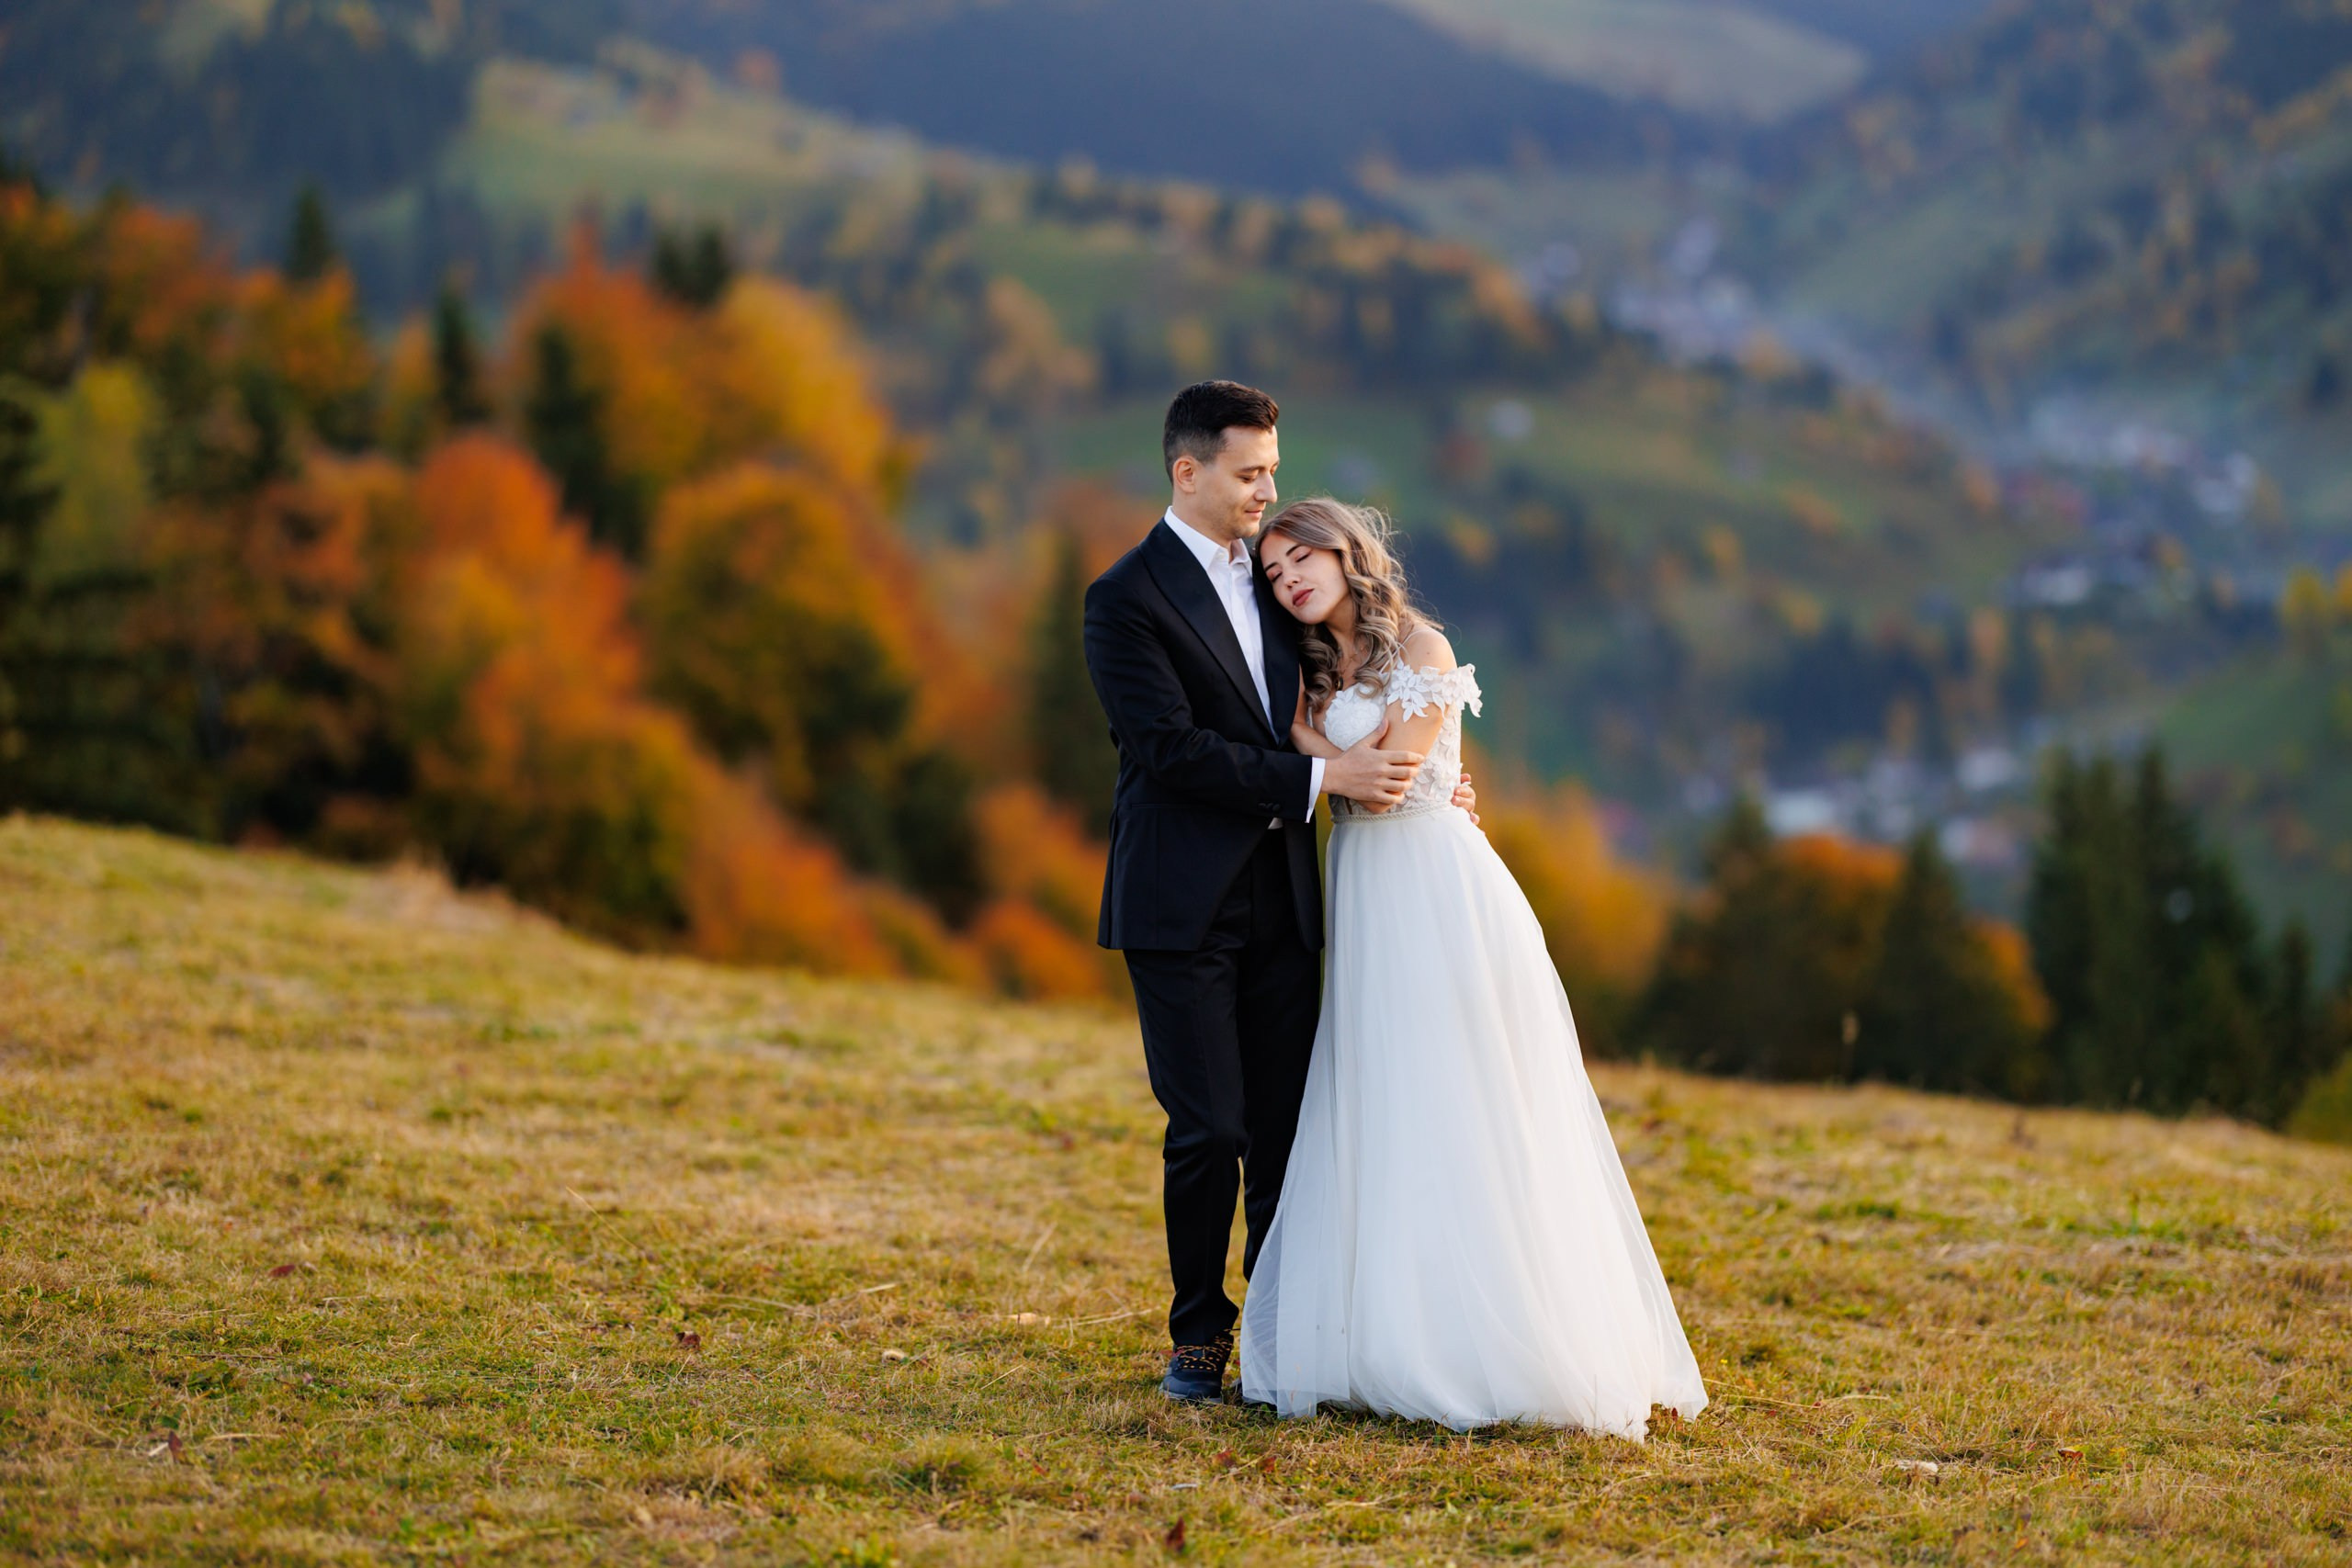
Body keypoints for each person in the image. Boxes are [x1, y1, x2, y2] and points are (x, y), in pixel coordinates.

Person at [1238, 496, 1708, 1436]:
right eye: (1274, 572)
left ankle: (1491, 1339)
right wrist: (1328, 746)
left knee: (1461, 1091)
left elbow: (1387, 788)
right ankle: (1385, 1330)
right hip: (1366, 898)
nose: (1289, 581)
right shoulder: (1314, 666)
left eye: (1303, 560)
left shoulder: (1422, 647)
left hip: (1435, 889)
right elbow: (1359, 778)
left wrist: (1302, 740)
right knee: (1383, 1094)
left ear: (1346, 552)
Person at [1081, 381, 1477, 1402]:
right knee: (1208, 1127)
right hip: (1180, 900)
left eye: (1272, 471)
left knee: (1288, 1131)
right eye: (1250, 473)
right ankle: (1198, 1337)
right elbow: (1169, 749)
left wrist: (1431, 771)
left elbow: (1363, 674)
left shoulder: (1277, 582)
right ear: (1189, 471)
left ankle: (1284, 1335)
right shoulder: (1123, 600)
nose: (1268, 492)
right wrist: (1324, 778)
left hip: (1289, 895)